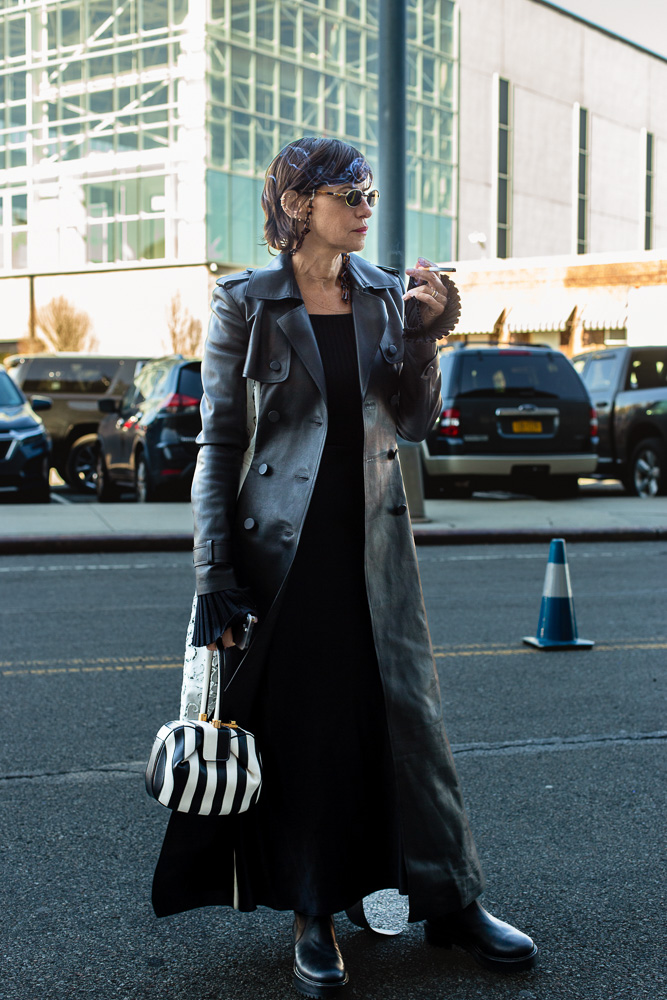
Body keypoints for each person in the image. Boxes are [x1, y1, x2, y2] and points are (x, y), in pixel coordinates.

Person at [151, 136, 537, 997]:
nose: (366, 203)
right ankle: (314, 911)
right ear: (296, 205)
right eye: (348, 191)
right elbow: (220, 444)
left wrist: (429, 336)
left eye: (369, 189)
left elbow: (413, 423)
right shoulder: (244, 303)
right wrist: (213, 572)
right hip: (279, 553)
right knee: (309, 732)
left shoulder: (384, 294)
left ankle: (450, 900)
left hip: (372, 546)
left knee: (408, 723)